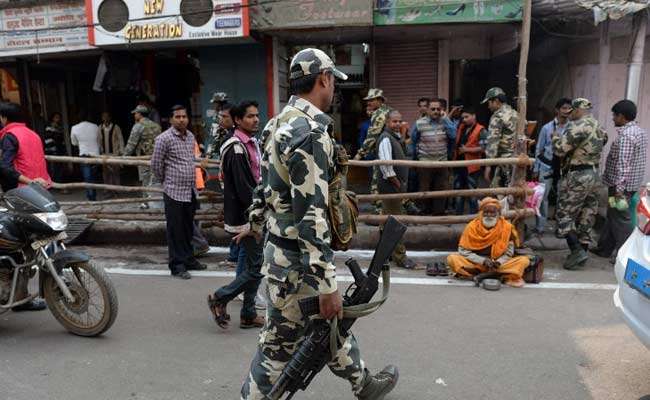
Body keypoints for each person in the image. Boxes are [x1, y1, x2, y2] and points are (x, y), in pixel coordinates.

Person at [238, 48, 398, 399]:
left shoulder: (276, 123)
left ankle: (364, 383)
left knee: (327, 328)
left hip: (282, 252)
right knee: (279, 348)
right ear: (323, 78)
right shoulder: (310, 133)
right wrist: (327, 284)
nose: (334, 90)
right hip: (299, 262)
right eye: (332, 82)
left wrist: (255, 222)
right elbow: (310, 217)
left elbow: (263, 187)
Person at [207, 100, 265, 330]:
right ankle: (220, 297)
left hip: (251, 213)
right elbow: (243, 189)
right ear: (238, 121)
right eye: (250, 116)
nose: (255, 119)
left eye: (257, 115)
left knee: (252, 263)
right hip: (247, 216)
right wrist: (256, 220)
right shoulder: (236, 148)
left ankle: (248, 313)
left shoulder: (250, 144)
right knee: (255, 268)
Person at [0, 101, 50, 311]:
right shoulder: (33, 134)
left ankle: (18, 294)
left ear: (4, 118)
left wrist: (27, 181)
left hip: (20, 197)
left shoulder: (9, 136)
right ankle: (19, 294)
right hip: (41, 194)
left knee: (17, 246)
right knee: (30, 246)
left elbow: (4, 167)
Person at [151, 105, 207, 279]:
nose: (182, 119)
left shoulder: (190, 137)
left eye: (184, 116)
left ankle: (189, 259)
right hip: (173, 191)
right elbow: (156, 165)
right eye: (178, 116)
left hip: (189, 190)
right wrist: (167, 181)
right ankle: (177, 265)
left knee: (187, 227)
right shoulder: (163, 139)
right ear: (171, 119)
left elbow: (191, 160)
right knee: (175, 230)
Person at [552, 98, 607, 270]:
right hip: (594, 174)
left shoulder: (576, 126)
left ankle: (576, 251)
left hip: (577, 175)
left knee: (564, 214)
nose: (569, 116)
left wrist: (554, 138)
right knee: (587, 214)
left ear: (577, 110)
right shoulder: (599, 126)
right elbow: (604, 140)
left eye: (571, 112)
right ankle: (581, 252)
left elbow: (560, 150)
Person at [593, 100, 647, 260]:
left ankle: (628, 255)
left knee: (621, 220)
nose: (612, 119)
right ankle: (604, 249)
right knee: (613, 216)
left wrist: (618, 191)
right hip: (628, 185)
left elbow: (623, 165)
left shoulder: (627, 137)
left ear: (622, 116)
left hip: (621, 187)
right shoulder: (639, 131)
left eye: (614, 115)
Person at [447, 197, 529, 287]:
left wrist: (498, 262)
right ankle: (497, 275)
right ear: (481, 213)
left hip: (498, 265)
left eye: (492, 213)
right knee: (452, 259)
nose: (489, 215)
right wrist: (483, 261)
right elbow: (463, 250)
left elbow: (509, 253)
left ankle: (485, 275)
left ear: (498, 214)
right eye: (486, 212)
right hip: (477, 264)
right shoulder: (471, 227)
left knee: (523, 261)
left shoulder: (507, 228)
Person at [378, 110, 424, 270]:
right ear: (387, 122)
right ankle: (401, 257)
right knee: (396, 223)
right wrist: (397, 184)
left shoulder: (395, 137)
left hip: (395, 188)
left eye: (400, 121)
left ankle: (385, 254)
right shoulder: (385, 139)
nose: (397, 124)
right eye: (394, 122)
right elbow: (386, 166)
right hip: (391, 188)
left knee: (387, 222)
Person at [408, 98, 457, 215]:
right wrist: (413, 160)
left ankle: (438, 213)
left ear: (442, 110)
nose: (435, 111)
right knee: (424, 188)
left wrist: (445, 119)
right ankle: (424, 212)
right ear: (428, 110)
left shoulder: (446, 122)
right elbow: (413, 142)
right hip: (425, 161)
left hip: (442, 161)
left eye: (438, 109)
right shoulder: (419, 123)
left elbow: (453, 135)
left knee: (441, 188)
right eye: (433, 109)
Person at [533, 98, 572, 234]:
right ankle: (540, 227)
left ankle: (560, 229)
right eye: (564, 108)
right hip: (547, 166)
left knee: (563, 199)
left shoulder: (572, 128)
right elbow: (539, 149)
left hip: (564, 168)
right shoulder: (547, 128)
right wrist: (536, 169)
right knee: (542, 198)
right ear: (557, 110)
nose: (567, 111)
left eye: (569, 108)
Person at [354, 88, 391, 214]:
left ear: (380, 100)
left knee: (377, 182)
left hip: (384, 153)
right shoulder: (387, 111)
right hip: (387, 152)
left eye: (371, 100)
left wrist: (359, 154)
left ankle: (379, 211)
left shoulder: (380, 114)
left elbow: (372, 136)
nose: (368, 103)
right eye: (367, 101)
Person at [122, 105, 162, 209]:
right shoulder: (156, 126)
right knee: (156, 179)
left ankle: (146, 202)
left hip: (144, 158)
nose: (135, 115)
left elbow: (131, 143)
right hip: (157, 157)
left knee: (146, 179)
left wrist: (124, 157)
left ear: (139, 114)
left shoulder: (138, 126)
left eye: (135, 113)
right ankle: (157, 199)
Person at [452, 106, 488, 215]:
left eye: (467, 117)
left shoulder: (481, 130)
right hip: (459, 165)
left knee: (472, 192)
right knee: (458, 191)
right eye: (463, 117)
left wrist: (467, 150)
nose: (464, 119)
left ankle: (474, 216)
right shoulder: (461, 127)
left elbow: (484, 148)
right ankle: (458, 216)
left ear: (474, 116)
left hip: (472, 166)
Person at [482, 87, 519, 188]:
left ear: (496, 101)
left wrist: (488, 165)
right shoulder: (515, 114)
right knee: (514, 193)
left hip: (504, 162)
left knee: (500, 194)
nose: (488, 106)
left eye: (489, 103)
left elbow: (492, 142)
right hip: (517, 159)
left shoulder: (498, 116)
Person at [70, 110, 100, 201]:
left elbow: (74, 143)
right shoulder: (95, 126)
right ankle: (93, 194)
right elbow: (99, 140)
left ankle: (90, 195)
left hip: (84, 153)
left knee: (87, 176)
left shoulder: (74, 128)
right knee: (94, 175)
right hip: (95, 153)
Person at [99, 111, 124, 190]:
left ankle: (117, 189)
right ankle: (107, 189)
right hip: (104, 154)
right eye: (104, 117)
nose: (105, 118)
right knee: (106, 173)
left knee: (115, 172)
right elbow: (98, 140)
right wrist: (99, 151)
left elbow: (120, 140)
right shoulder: (100, 128)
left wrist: (121, 151)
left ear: (110, 118)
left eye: (107, 116)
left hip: (114, 154)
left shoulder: (116, 127)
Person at [43, 112, 65, 184]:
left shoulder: (59, 127)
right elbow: (48, 139)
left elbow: (61, 139)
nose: (57, 119)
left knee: (59, 167)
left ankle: (58, 182)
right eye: (56, 117)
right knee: (53, 167)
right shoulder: (49, 128)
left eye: (58, 118)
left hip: (59, 149)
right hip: (52, 149)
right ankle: (54, 183)